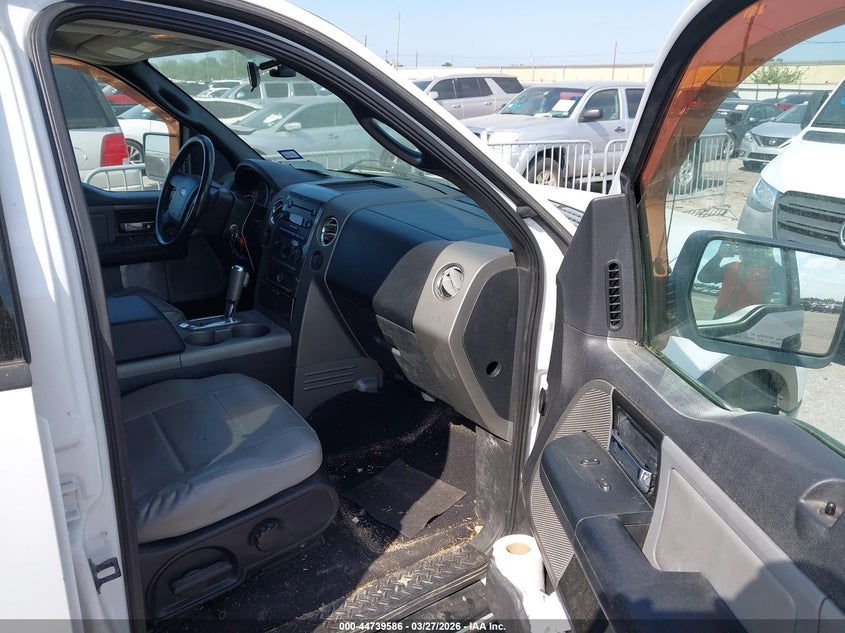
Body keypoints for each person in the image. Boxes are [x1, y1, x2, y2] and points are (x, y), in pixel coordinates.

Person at [697, 240, 787, 319]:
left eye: (751, 249)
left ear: (762, 254)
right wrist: (719, 255)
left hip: (749, 321)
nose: (745, 251)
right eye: (743, 247)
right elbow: (703, 277)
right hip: (721, 318)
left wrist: (771, 259)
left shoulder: (770, 273)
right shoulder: (731, 267)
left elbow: (785, 285)